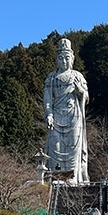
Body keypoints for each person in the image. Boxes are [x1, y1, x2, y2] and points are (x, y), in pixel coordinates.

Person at [43, 38, 88, 185]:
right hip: (56, 116)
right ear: (56, 59)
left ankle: (73, 177)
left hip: (74, 115)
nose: (64, 61)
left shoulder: (78, 76)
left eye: (67, 58)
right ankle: (58, 177)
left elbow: (86, 97)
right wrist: (49, 115)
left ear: (73, 58)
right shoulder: (51, 78)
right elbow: (47, 100)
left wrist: (80, 90)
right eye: (61, 58)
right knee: (55, 146)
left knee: (74, 146)